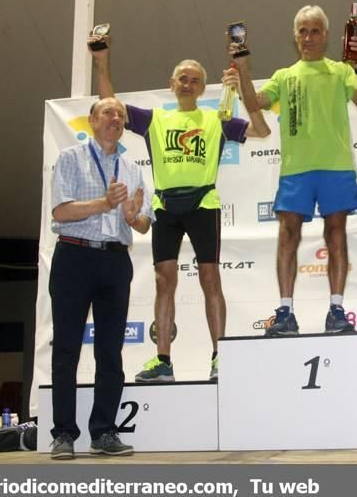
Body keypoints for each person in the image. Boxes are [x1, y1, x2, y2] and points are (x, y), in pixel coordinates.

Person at [89, 30, 270, 383]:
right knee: (163, 280)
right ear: (172, 83)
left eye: (196, 81)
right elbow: (109, 104)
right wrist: (102, 61)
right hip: (166, 207)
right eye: (183, 79)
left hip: (204, 202)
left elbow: (262, 131)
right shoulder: (156, 119)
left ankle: (221, 357)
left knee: (209, 277)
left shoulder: (216, 118)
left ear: (204, 89)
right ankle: (163, 361)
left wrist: (244, 87)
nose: (188, 84)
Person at [237, 5, 357, 335]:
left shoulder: (341, 70)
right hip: (296, 170)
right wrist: (242, 68)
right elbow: (254, 103)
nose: (308, 37)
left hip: (335, 166)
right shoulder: (284, 76)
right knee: (287, 236)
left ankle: (337, 310)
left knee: (336, 235)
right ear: (295, 37)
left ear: (325, 36)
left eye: (314, 31)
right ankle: (285, 313)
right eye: (302, 31)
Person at [49, 97, 153, 460]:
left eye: (121, 115)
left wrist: (132, 215)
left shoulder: (133, 169)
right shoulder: (70, 159)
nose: (116, 118)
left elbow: (142, 224)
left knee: (110, 351)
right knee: (66, 348)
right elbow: (61, 211)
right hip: (74, 256)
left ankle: (104, 432)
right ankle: (63, 433)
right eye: (108, 113)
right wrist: (104, 204)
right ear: (92, 121)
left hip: (114, 261)